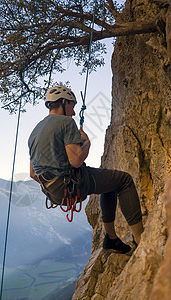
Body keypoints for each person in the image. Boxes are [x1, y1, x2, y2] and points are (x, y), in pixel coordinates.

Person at [28, 85, 144, 254]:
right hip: (70, 183)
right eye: (72, 106)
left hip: (52, 190)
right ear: (63, 102)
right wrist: (87, 142)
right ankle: (140, 238)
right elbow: (76, 160)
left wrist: (55, 182)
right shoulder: (66, 122)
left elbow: (33, 174)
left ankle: (111, 239)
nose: (74, 112)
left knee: (110, 182)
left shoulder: (34, 132)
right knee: (124, 180)